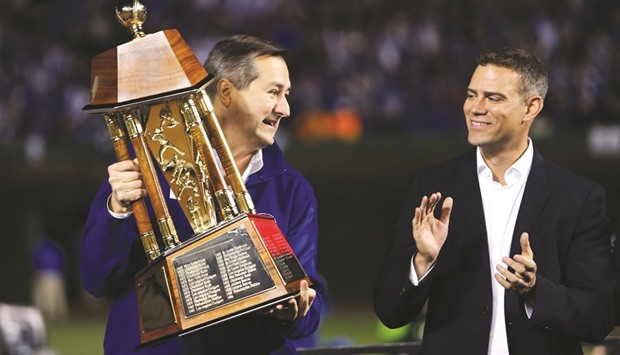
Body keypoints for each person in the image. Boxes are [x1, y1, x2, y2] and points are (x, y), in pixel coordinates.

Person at [80, 34, 325, 354]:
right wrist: (117, 209)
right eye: (273, 92)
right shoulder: (147, 167)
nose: (285, 109)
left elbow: (309, 310)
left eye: (286, 94)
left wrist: (295, 308)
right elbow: (97, 279)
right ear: (226, 92)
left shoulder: (292, 190)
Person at [373, 47, 615, 354]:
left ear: (531, 107)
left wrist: (535, 291)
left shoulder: (578, 198)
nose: (475, 107)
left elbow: (599, 317)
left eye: (493, 98)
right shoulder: (432, 187)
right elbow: (389, 312)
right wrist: (423, 262)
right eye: (471, 94)